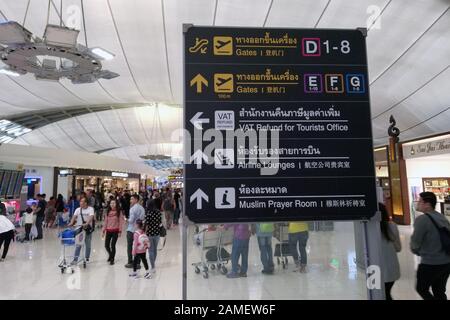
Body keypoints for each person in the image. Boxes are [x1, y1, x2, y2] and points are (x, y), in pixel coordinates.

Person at [410, 192, 450, 300]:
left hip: (430, 263)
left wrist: (419, 251)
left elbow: (414, 244)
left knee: (421, 288)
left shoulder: (422, 220)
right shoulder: (441, 217)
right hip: (446, 262)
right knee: (439, 290)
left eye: (420, 201)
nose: (417, 203)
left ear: (427, 204)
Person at [379, 203, 401, 300]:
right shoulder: (392, 226)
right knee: (387, 293)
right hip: (392, 268)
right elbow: (398, 248)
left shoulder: (369, 230)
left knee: (381, 295)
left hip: (376, 270)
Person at [68, 196, 95, 264]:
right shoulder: (78, 209)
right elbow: (74, 217)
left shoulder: (90, 209)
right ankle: (75, 259)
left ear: (86, 203)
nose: (81, 203)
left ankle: (87, 258)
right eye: (80, 201)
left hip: (87, 229)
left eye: (82, 201)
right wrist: (71, 223)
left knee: (88, 244)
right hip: (79, 229)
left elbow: (91, 217)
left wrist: (87, 223)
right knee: (78, 244)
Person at [125, 194, 145, 268]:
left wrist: (126, 219)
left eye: (132, 199)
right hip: (139, 230)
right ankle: (137, 263)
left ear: (136, 199)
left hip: (131, 230)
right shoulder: (142, 208)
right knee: (138, 246)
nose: (130, 201)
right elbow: (142, 219)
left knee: (130, 246)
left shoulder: (132, 209)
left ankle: (130, 262)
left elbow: (131, 220)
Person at [145, 193, 163, 272]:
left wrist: (144, 234)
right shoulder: (158, 213)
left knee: (150, 250)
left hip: (149, 234)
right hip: (157, 233)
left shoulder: (148, 214)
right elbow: (160, 223)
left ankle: (152, 266)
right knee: (155, 249)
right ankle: (153, 264)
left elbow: (147, 225)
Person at [102, 199, 122, 265]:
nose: (112, 204)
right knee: (106, 245)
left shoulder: (119, 212)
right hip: (108, 230)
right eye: (111, 203)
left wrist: (120, 231)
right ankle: (111, 255)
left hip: (115, 231)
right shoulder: (107, 211)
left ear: (116, 204)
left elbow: (120, 222)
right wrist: (103, 230)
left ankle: (112, 259)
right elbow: (105, 222)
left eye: (114, 203)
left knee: (113, 245)